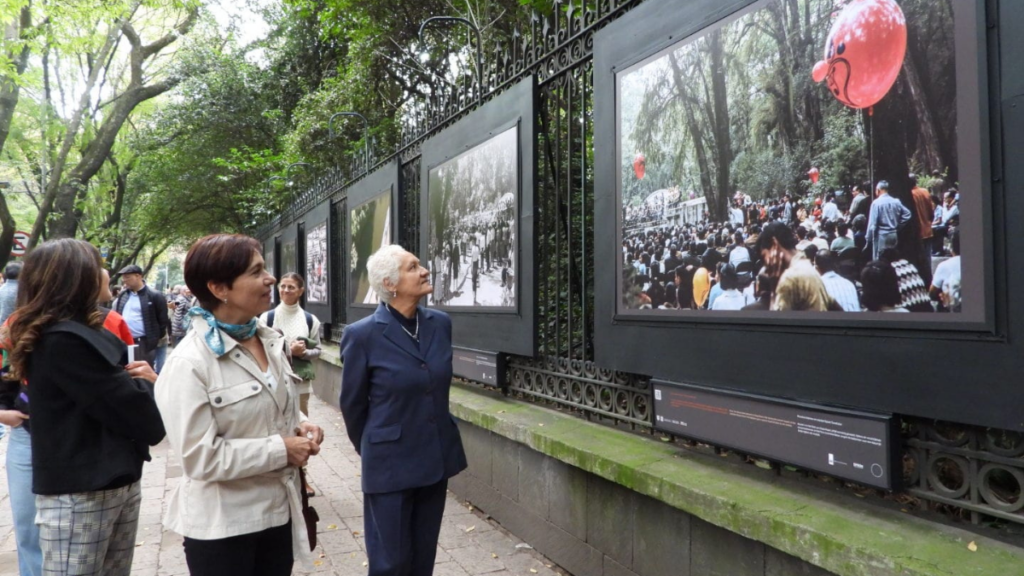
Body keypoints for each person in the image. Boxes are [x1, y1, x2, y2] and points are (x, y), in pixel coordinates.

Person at [156, 234, 323, 575]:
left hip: (278, 515)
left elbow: (271, 405)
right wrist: (282, 450)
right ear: (219, 288)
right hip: (224, 529)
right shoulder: (190, 363)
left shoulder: (270, 340)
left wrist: (300, 424)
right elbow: (199, 458)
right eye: (256, 271)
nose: (271, 279)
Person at [7, 239, 164, 576]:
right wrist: (146, 384)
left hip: (110, 484)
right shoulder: (63, 341)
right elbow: (144, 419)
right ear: (76, 277)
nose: (106, 273)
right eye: (97, 265)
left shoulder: (83, 331)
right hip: (82, 495)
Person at [340, 244, 468, 576]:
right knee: (391, 563)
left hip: (435, 458)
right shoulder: (362, 335)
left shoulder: (439, 324)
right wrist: (373, 447)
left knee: (422, 558)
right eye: (413, 267)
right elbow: (353, 405)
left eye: (420, 265)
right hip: (389, 465)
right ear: (390, 283)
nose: (425, 271)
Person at [260, 272, 322, 497]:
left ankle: (302, 477)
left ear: (301, 291)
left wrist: (303, 352)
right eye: (283, 287)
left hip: (301, 385)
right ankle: (278, 475)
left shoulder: (309, 320)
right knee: (276, 427)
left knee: (300, 428)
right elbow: (261, 351)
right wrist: (288, 351)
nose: (285, 291)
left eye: (291, 287)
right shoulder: (266, 319)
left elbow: (318, 351)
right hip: (274, 384)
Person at [114, 264, 170, 366]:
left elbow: (163, 321)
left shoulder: (154, 295)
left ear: (138, 276)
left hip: (143, 342)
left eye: (127, 277)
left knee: (142, 372)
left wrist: (153, 339)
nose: (124, 280)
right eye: (123, 277)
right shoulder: (123, 295)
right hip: (124, 341)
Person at [866, 180, 912, 261]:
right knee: (893, 256)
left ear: (878, 190)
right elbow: (907, 214)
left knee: (880, 258)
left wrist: (868, 238)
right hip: (893, 234)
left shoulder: (876, 203)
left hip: (882, 235)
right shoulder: (896, 201)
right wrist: (899, 225)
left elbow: (872, 224)